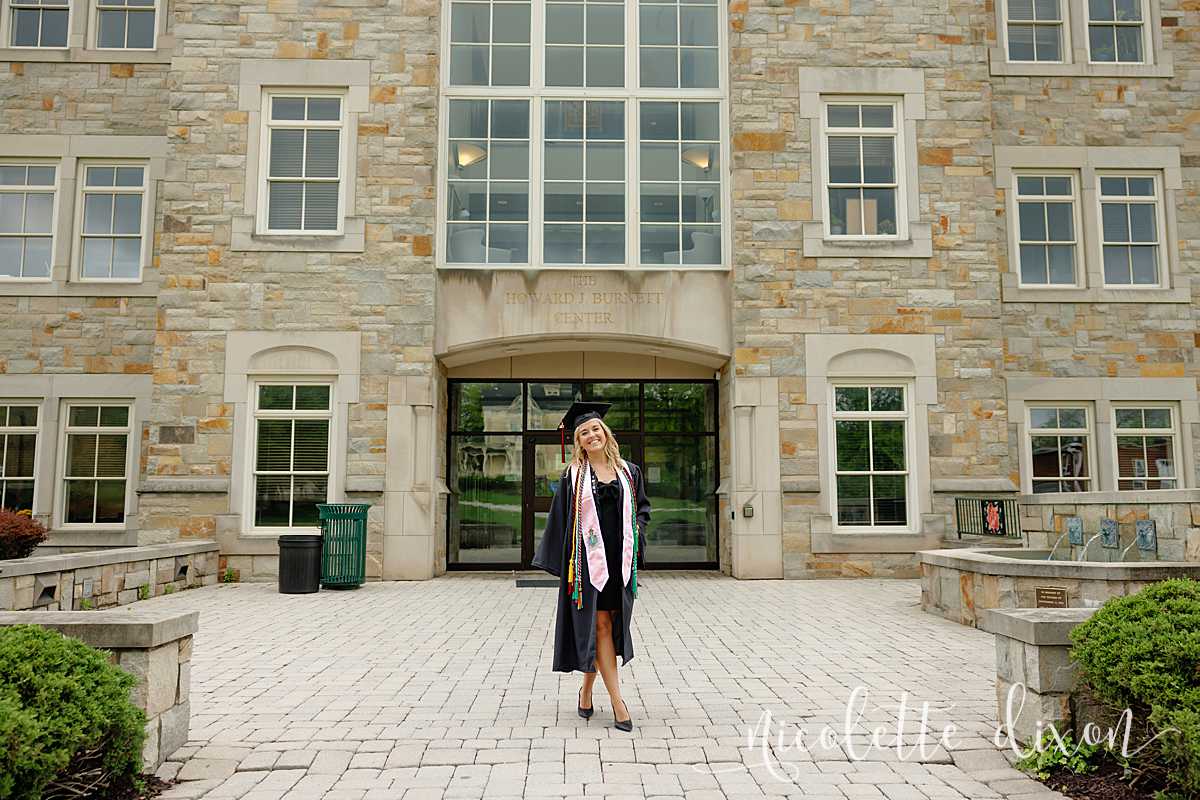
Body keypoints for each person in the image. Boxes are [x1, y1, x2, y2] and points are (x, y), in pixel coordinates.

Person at [532, 401, 651, 732]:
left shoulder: (630, 471)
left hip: (620, 562)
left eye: (595, 429)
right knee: (598, 628)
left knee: (608, 629)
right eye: (584, 432)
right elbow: (561, 521)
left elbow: (643, 507)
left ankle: (586, 692)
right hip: (589, 567)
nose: (591, 435)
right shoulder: (573, 476)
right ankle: (618, 703)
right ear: (579, 441)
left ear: (605, 432)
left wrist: (639, 529)